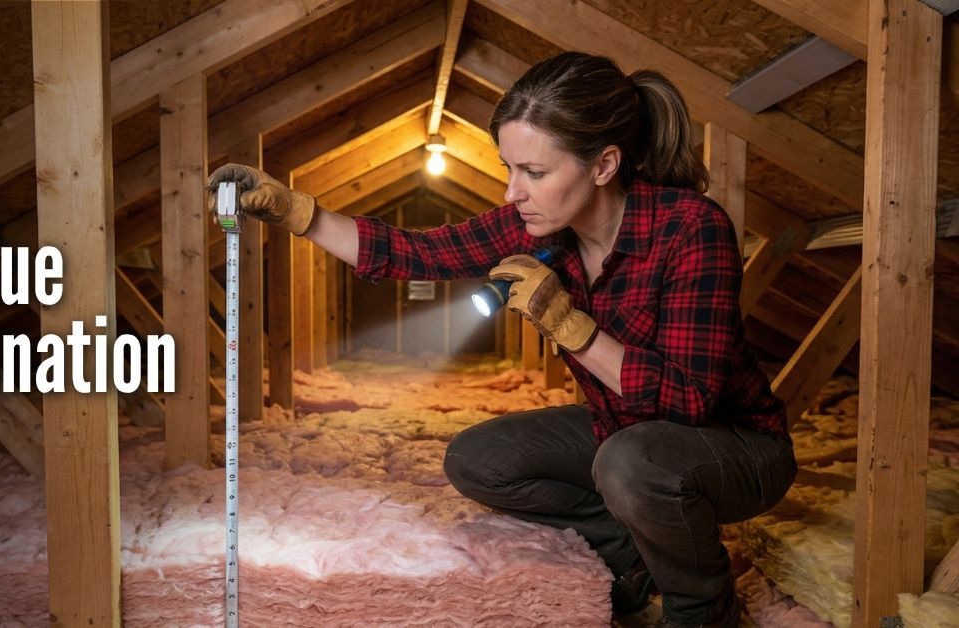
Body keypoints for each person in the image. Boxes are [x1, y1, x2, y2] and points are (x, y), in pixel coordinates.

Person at [207, 51, 796, 628]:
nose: (514, 191)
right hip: (622, 430)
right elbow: (418, 252)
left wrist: (572, 329)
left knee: (629, 463)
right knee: (480, 460)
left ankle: (704, 610)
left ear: (604, 164)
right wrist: (295, 212)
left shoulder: (692, 227)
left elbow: (686, 402)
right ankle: (630, 548)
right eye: (508, 168)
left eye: (535, 173)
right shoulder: (537, 221)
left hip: (735, 448)